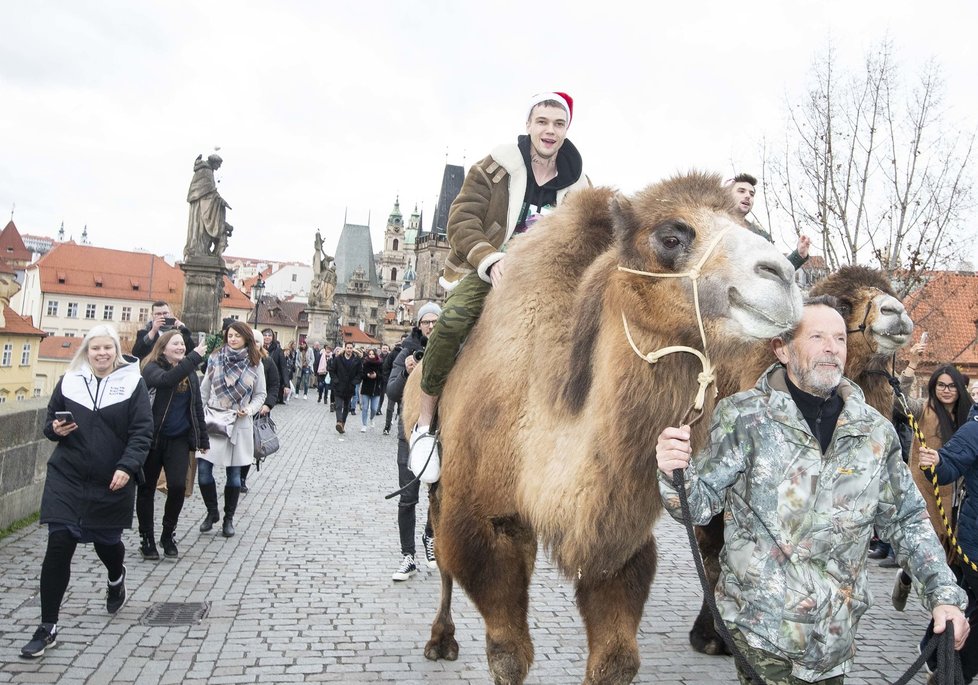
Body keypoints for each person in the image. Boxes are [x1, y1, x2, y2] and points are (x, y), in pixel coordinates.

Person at [655, 297, 968, 684]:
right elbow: (697, 507)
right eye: (817, 336)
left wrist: (944, 597)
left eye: (839, 338)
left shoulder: (873, 431)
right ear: (782, 348)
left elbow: (906, 520)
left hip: (834, 638)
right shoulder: (743, 418)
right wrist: (674, 473)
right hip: (761, 636)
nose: (831, 347)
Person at [412, 91, 589, 470]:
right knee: (453, 320)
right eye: (542, 122)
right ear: (529, 126)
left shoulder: (580, 186)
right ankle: (425, 423)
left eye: (559, 124)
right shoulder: (496, 167)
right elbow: (461, 219)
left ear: (566, 130)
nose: (550, 131)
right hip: (494, 266)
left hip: (551, 277)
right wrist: (489, 259)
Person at [21, 325, 153, 659]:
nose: (102, 354)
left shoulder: (131, 383)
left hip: (112, 478)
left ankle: (115, 577)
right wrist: (55, 428)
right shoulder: (70, 380)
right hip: (68, 475)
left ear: (116, 350)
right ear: (86, 351)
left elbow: (142, 432)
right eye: (95, 348)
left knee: (107, 544)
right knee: (59, 542)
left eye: (108, 348)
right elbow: (49, 424)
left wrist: (127, 466)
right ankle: (48, 626)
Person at [891, 361, 974, 606]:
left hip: (958, 488)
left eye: (951, 386)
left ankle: (948, 600)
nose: (946, 390)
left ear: (959, 388)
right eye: (941, 385)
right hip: (926, 488)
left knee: (952, 549)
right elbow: (899, 401)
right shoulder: (922, 409)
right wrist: (910, 368)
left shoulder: (968, 415)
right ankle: (907, 577)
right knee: (930, 541)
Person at [136, 330, 209, 560]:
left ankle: (168, 534)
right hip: (152, 439)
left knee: (177, 486)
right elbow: (166, 381)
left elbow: (196, 407)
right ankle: (147, 537)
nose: (180, 347)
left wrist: (202, 439)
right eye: (175, 344)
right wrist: (194, 358)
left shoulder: (190, 376)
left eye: (182, 345)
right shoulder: (151, 368)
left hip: (178, 439)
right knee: (146, 489)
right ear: (163, 347)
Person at [919, 404, 978, 682]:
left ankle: (945, 666)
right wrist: (937, 462)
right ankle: (950, 674)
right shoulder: (975, 428)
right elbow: (949, 465)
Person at [387, 302, 442, 580]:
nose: (431, 326)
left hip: (441, 433)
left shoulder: (450, 350)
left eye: (435, 322)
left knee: (438, 494)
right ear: (418, 325)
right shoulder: (406, 351)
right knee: (408, 498)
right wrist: (408, 370)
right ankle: (407, 555)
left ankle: (430, 536)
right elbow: (392, 391)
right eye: (426, 322)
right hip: (409, 435)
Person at [199, 321, 267, 538]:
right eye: (230, 335)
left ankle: (228, 519)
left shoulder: (255, 362)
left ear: (246, 337)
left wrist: (249, 409)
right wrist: (199, 414)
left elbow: (260, 394)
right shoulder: (215, 358)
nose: (233, 339)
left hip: (239, 423)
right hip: (213, 420)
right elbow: (205, 389)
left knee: (235, 476)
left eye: (237, 335)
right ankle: (212, 512)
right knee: (203, 473)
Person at [728, 173, 810, 270]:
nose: (747, 196)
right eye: (741, 191)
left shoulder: (760, 235)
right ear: (727, 195)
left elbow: (775, 272)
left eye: (752, 194)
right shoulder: (713, 226)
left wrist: (799, 254)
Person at [239, 329, 280, 495]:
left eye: (257, 342)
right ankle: (234, 473)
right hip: (240, 409)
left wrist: (268, 405)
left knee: (250, 446)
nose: (254, 345)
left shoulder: (267, 362)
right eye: (252, 341)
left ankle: (241, 477)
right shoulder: (239, 359)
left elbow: (274, 385)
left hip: (258, 411)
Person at [184, 153, 232, 260]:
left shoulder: (208, 170)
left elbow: (210, 190)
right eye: (218, 164)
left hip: (205, 204)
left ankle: (202, 250)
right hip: (201, 206)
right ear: (214, 162)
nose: (219, 167)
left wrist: (220, 200)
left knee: (202, 230)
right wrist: (220, 200)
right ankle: (198, 250)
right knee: (200, 229)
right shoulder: (206, 171)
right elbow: (209, 189)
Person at [131, 301, 195, 360]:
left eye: (165, 313)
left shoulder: (177, 330)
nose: (162, 316)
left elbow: (192, 350)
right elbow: (136, 353)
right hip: (153, 367)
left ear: (169, 314)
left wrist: (183, 329)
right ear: (152, 315)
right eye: (158, 314)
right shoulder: (145, 331)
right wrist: (153, 331)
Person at [329, 342, 362, 434]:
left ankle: (342, 423)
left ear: (352, 349)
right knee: (339, 405)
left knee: (346, 407)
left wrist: (355, 382)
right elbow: (332, 370)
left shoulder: (356, 360)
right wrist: (335, 380)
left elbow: (360, 373)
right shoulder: (338, 358)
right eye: (347, 348)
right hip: (338, 386)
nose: (349, 349)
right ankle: (339, 422)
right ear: (345, 348)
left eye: (351, 348)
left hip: (349, 387)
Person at [262, 329, 289, 405]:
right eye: (265, 335)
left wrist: (286, 385)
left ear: (273, 337)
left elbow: (283, 368)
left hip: (272, 382)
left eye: (269, 335)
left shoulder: (278, 350)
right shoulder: (257, 349)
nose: (267, 337)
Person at [359, 349, 384, 432]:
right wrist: (367, 375)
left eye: (373, 354)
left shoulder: (380, 364)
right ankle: (364, 425)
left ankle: (371, 418)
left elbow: (382, 376)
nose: (371, 355)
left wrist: (376, 375)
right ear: (368, 355)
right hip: (366, 389)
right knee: (365, 408)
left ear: (375, 355)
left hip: (376, 389)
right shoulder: (365, 364)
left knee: (374, 409)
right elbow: (361, 375)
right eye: (370, 354)